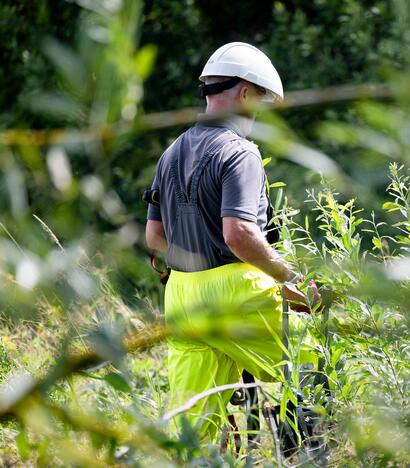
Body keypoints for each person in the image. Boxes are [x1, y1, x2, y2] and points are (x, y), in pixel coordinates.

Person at [144, 42, 320, 441]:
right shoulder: (240, 153)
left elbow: (155, 238)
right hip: (236, 290)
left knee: (194, 432)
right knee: (313, 361)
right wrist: (290, 279)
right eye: (259, 100)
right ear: (243, 93)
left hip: (182, 298)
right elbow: (238, 234)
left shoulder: (170, 153)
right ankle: (305, 455)